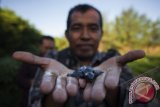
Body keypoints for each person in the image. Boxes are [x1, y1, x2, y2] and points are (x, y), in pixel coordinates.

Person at [13, 4, 148, 107]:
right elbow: (32, 102)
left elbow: (143, 100)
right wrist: (53, 98)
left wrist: (114, 92)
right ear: (67, 34)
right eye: (77, 28)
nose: (85, 36)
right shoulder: (52, 59)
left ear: (101, 33)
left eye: (93, 28)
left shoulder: (113, 59)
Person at [16, 36, 56, 107]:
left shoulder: (57, 63)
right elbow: (19, 80)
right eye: (46, 48)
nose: (49, 51)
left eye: (51, 49)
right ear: (40, 46)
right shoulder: (30, 61)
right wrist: (35, 82)